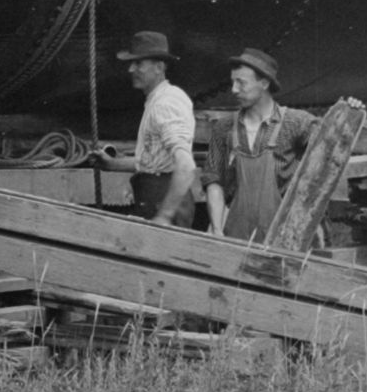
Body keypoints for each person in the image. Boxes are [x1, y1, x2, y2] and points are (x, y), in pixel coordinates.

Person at [209, 48, 300, 245]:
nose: (233, 89)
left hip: (281, 242)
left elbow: (332, 145)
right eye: (233, 82)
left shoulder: (296, 124)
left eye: (241, 83)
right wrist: (216, 230)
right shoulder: (223, 128)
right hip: (235, 237)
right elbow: (214, 179)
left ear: (264, 83)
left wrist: (352, 110)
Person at [118, 29, 202, 224]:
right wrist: (111, 164)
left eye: (138, 63)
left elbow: (186, 166)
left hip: (162, 202)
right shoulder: (157, 100)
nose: (131, 69)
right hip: (157, 199)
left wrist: (164, 216)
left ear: (159, 67)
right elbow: (155, 162)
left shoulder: (166, 103)